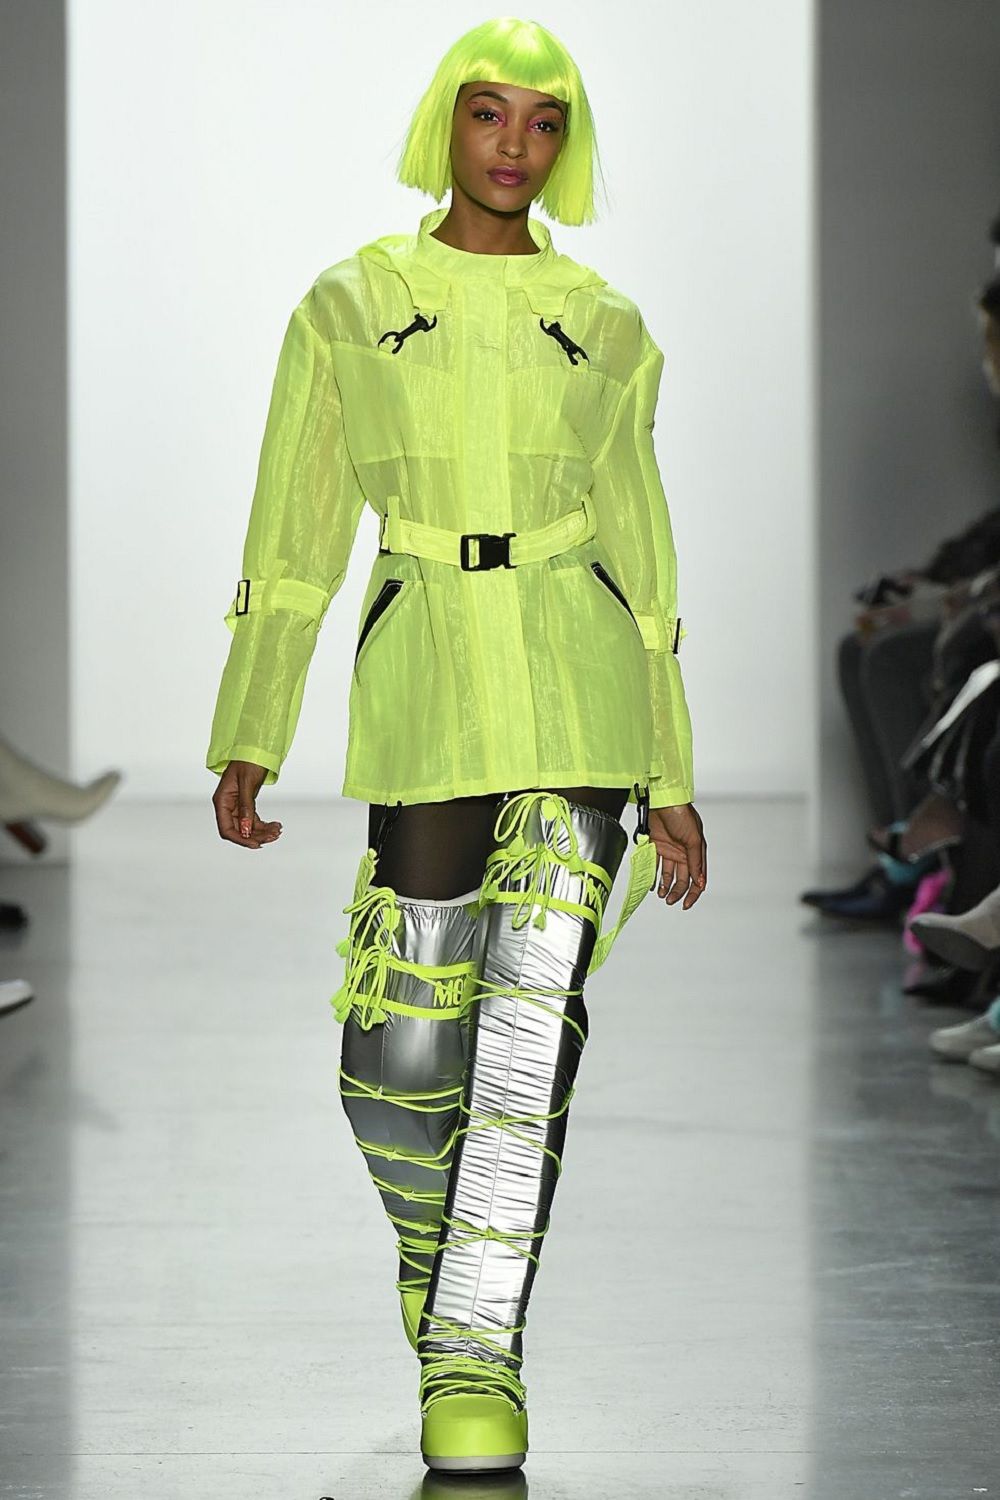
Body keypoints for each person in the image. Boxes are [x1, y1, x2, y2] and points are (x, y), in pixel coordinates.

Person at [205, 16, 707, 1476]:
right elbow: (293, 532)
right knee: (398, 1050)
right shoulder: (349, 305)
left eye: (542, 123)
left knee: (527, 1033)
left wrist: (669, 776)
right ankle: (444, 1289)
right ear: (446, 124)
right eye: (488, 114)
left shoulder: (605, 322)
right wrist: (252, 728)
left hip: (582, 689)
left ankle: (477, 1352)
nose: (513, 146)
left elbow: (646, 552)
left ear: (567, 145)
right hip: (420, 676)